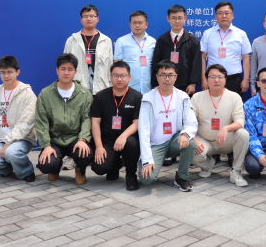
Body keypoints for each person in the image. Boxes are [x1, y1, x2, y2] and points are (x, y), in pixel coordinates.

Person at [138, 60, 198, 191]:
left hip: (174, 141)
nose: (167, 79)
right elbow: (143, 130)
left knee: (190, 143)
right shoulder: (148, 98)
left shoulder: (182, 97)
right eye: (163, 75)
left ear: (176, 77)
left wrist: (185, 134)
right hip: (155, 144)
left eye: (170, 75)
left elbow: (192, 122)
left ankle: (181, 177)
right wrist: (147, 160)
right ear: (157, 77)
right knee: (147, 179)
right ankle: (145, 162)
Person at [35, 53, 93, 185]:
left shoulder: (84, 94)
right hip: (55, 139)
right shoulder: (45, 94)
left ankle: (80, 169)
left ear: (75, 71)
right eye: (63, 69)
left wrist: (83, 139)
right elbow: (41, 121)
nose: (66, 72)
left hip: (75, 138)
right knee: (46, 165)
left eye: (70, 69)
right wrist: (46, 145)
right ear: (57, 70)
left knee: (85, 154)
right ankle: (54, 168)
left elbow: (87, 118)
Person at [191, 64, 249, 187]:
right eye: (212, 77)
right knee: (191, 148)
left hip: (225, 141)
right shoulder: (197, 97)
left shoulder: (234, 97)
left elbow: (240, 122)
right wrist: (194, 141)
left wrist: (226, 128)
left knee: (243, 134)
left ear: (225, 80)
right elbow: (189, 122)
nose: (216, 80)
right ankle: (208, 165)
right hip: (204, 140)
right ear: (206, 79)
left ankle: (236, 171)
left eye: (220, 77)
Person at [0, 56, 37, 182]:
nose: (6, 76)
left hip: (21, 138)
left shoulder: (26, 93)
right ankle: (9, 168)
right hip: (0, 140)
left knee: (11, 152)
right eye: (3, 72)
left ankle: (26, 172)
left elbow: (26, 122)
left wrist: (7, 144)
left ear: (18, 72)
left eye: (10, 72)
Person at [90, 61, 142, 191]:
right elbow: (95, 122)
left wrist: (123, 136)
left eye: (123, 75)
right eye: (116, 75)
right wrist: (99, 146)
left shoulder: (137, 97)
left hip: (128, 138)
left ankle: (131, 174)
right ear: (110, 76)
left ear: (129, 77)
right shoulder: (101, 96)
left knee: (132, 143)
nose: (119, 79)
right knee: (99, 168)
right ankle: (115, 165)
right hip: (107, 139)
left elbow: (137, 123)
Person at [200, 1, 251, 95]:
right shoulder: (208, 33)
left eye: (227, 13)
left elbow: (246, 58)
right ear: (215, 16)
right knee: (213, 104)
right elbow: (202, 57)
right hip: (213, 80)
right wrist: (203, 78)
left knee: (234, 104)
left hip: (234, 79)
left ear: (232, 15)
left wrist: (246, 79)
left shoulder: (241, 34)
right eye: (220, 13)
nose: (224, 16)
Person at [151, 4, 201, 95]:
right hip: (165, 84)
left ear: (185, 18)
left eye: (180, 18)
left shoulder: (192, 40)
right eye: (173, 18)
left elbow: (196, 64)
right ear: (168, 19)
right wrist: (155, 83)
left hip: (186, 86)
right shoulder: (162, 40)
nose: (177, 21)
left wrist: (193, 83)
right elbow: (155, 62)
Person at [64, 4, 113, 95]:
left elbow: (110, 65)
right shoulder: (72, 40)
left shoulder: (106, 40)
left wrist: (110, 86)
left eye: (92, 16)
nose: (89, 19)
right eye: (85, 16)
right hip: (78, 86)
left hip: (101, 86)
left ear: (97, 19)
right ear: (81, 20)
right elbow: (65, 64)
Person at [114, 10, 156, 94]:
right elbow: (117, 64)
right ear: (130, 24)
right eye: (134, 23)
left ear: (146, 25)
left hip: (148, 88)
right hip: (128, 87)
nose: (137, 25)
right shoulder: (121, 41)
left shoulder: (153, 42)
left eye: (140, 22)